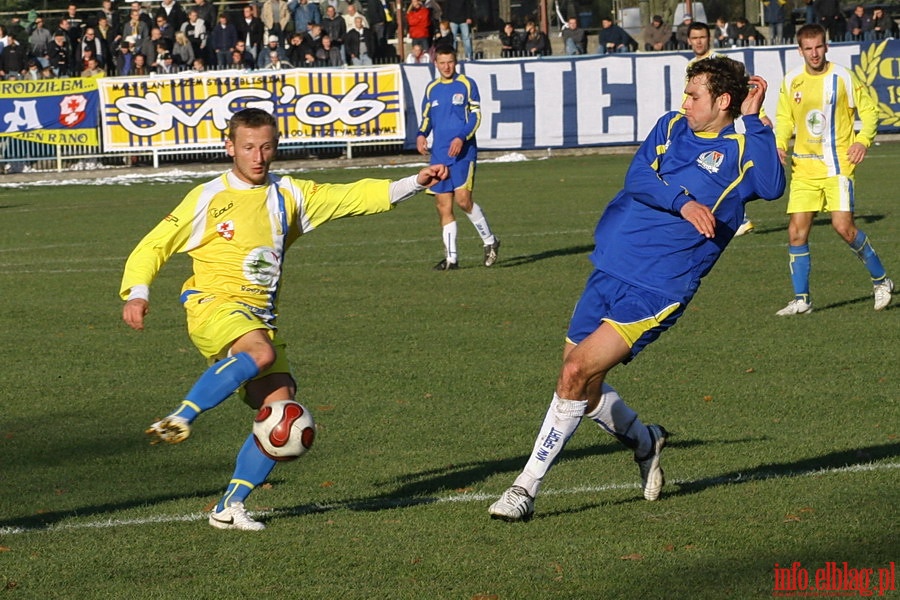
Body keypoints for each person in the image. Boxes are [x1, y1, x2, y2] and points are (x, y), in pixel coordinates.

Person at [120, 108, 448, 531]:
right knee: (259, 352)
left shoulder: (288, 195)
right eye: (248, 147)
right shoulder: (207, 197)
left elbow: (349, 197)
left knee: (283, 410)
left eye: (266, 147)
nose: (258, 156)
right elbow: (154, 245)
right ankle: (182, 416)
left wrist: (412, 182)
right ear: (230, 148)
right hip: (212, 304)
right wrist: (138, 293)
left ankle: (229, 506)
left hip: (259, 315)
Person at [488, 56, 785, 522]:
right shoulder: (670, 126)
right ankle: (646, 441)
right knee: (580, 383)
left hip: (658, 285)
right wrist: (683, 202)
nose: (684, 103)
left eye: (694, 96)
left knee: (573, 376)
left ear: (723, 101)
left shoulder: (743, 144)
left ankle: (524, 488)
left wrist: (753, 118)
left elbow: (771, 187)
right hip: (611, 266)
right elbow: (639, 177)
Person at [774, 24, 893, 315]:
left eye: (818, 47)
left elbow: (869, 111)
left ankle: (881, 281)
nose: (814, 53)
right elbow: (784, 117)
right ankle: (802, 299)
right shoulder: (792, 81)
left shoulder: (842, 77)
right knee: (796, 234)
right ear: (800, 50)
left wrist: (863, 140)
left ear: (826, 46)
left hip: (837, 166)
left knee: (844, 228)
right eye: (808, 48)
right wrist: (779, 144)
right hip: (803, 169)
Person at [417, 47, 500, 270]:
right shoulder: (432, 89)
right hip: (439, 155)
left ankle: (490, 241)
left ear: (456, 62)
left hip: (463, 153)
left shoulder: (466, 84)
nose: (447, 67)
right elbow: (427, 118)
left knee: (463, 200)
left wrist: (461, 138)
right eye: (442, 62)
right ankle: (452, 259)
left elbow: (476, 115)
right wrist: (421, 135)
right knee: (443, 205)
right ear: (435, 63)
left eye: (450, 62)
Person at [686, 21, 768, 236]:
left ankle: (735, 216)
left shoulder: (719, 63)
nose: (698, 42)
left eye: (702, 37)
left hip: (719, 132)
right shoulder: (692, 66)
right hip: (700, 131)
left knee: (720, 170)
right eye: (694, 38)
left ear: (709, 38)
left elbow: (742, 89)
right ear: (689, 41)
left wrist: (760, 115)